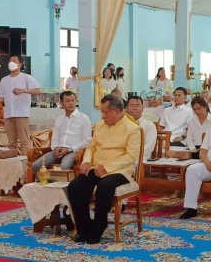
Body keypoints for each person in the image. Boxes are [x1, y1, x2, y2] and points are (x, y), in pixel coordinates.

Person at [67, 95, 141, 244]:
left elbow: (130, 156)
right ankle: (84, 228)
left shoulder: (133, 129)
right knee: (75, 187)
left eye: (104, 112)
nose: (102, 116)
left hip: (119, 171)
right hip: (96, 167)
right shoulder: (100, 125)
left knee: (104, 186)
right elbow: (92, 146)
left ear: (115, 111)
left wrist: (106, 168)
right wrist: (87, 161)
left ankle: (98, 227)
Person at [31, 91, 91, 177]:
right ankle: (43, 186)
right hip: (58, 150)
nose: (71, 103)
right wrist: (55, 148)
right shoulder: (59, 119)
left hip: (74, 151)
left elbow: (87, 141)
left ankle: (64, 189)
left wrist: (69, 150)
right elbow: (55, 138)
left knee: (65, 166)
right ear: (61, 103)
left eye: (73, 100)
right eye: (67, 101)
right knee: (36, 165)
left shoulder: (84, 118)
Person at [0, 56, 40, 156]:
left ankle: (24, 163)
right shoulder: (4, 80)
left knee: (24, 141)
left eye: (14, 61)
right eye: (10, 61)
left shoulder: (26, 77)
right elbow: (1, 98)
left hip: (21, 113)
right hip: (8, 114)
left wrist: (24, 90)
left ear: (19, 64)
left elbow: (38, 91)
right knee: (11, 142)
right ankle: (13, 163)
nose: (11, 62)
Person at [126, 96, 157, 160]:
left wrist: (133, 155)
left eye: (137, 105)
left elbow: (149, 147)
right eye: (132, 105)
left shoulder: (149, 125)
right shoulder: (122, 124)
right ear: (127, 108)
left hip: (141, 158)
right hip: (124, 157)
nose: (134, 108)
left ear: (142, 108)